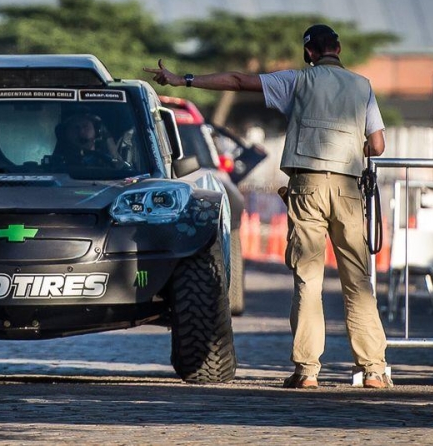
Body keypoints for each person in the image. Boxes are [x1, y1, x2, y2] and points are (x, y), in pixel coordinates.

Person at [145, 23, 393, 389]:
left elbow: (237, 80)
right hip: (348, 190)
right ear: (337, 48)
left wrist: (184, 79)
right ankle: (373, 369)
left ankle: (307, 371)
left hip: (307, 187)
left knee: (309, 278)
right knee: (357, 280)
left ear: (309, 53)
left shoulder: (297, 80)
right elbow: (378, 144)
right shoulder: (363, 87)